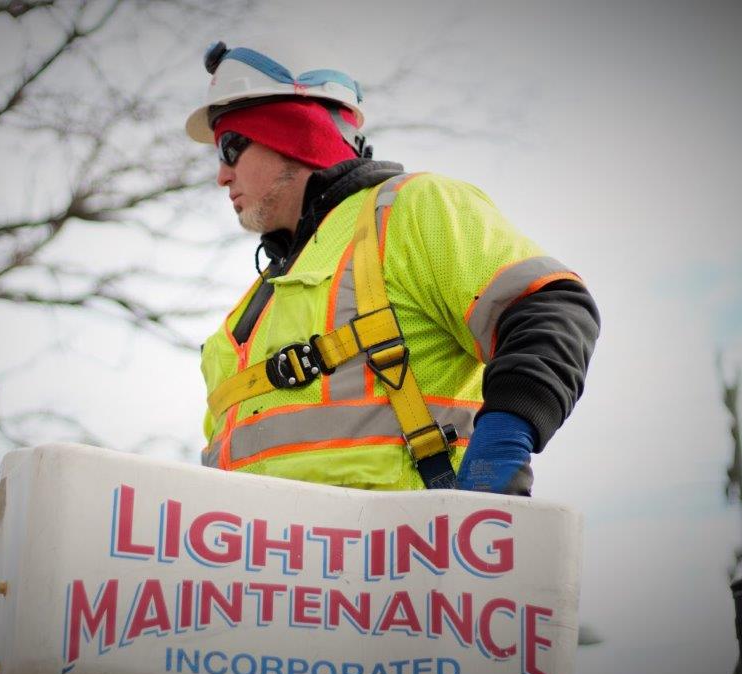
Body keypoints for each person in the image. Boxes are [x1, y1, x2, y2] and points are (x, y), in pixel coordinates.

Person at [188, 42, 599, 495]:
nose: (222, 175)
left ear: (293, 136)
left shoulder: (406, 210)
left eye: (230, 147)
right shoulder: (250, 310)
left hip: (410, 553)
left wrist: (504, 439)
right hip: (260, 558)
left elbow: (549, 307)